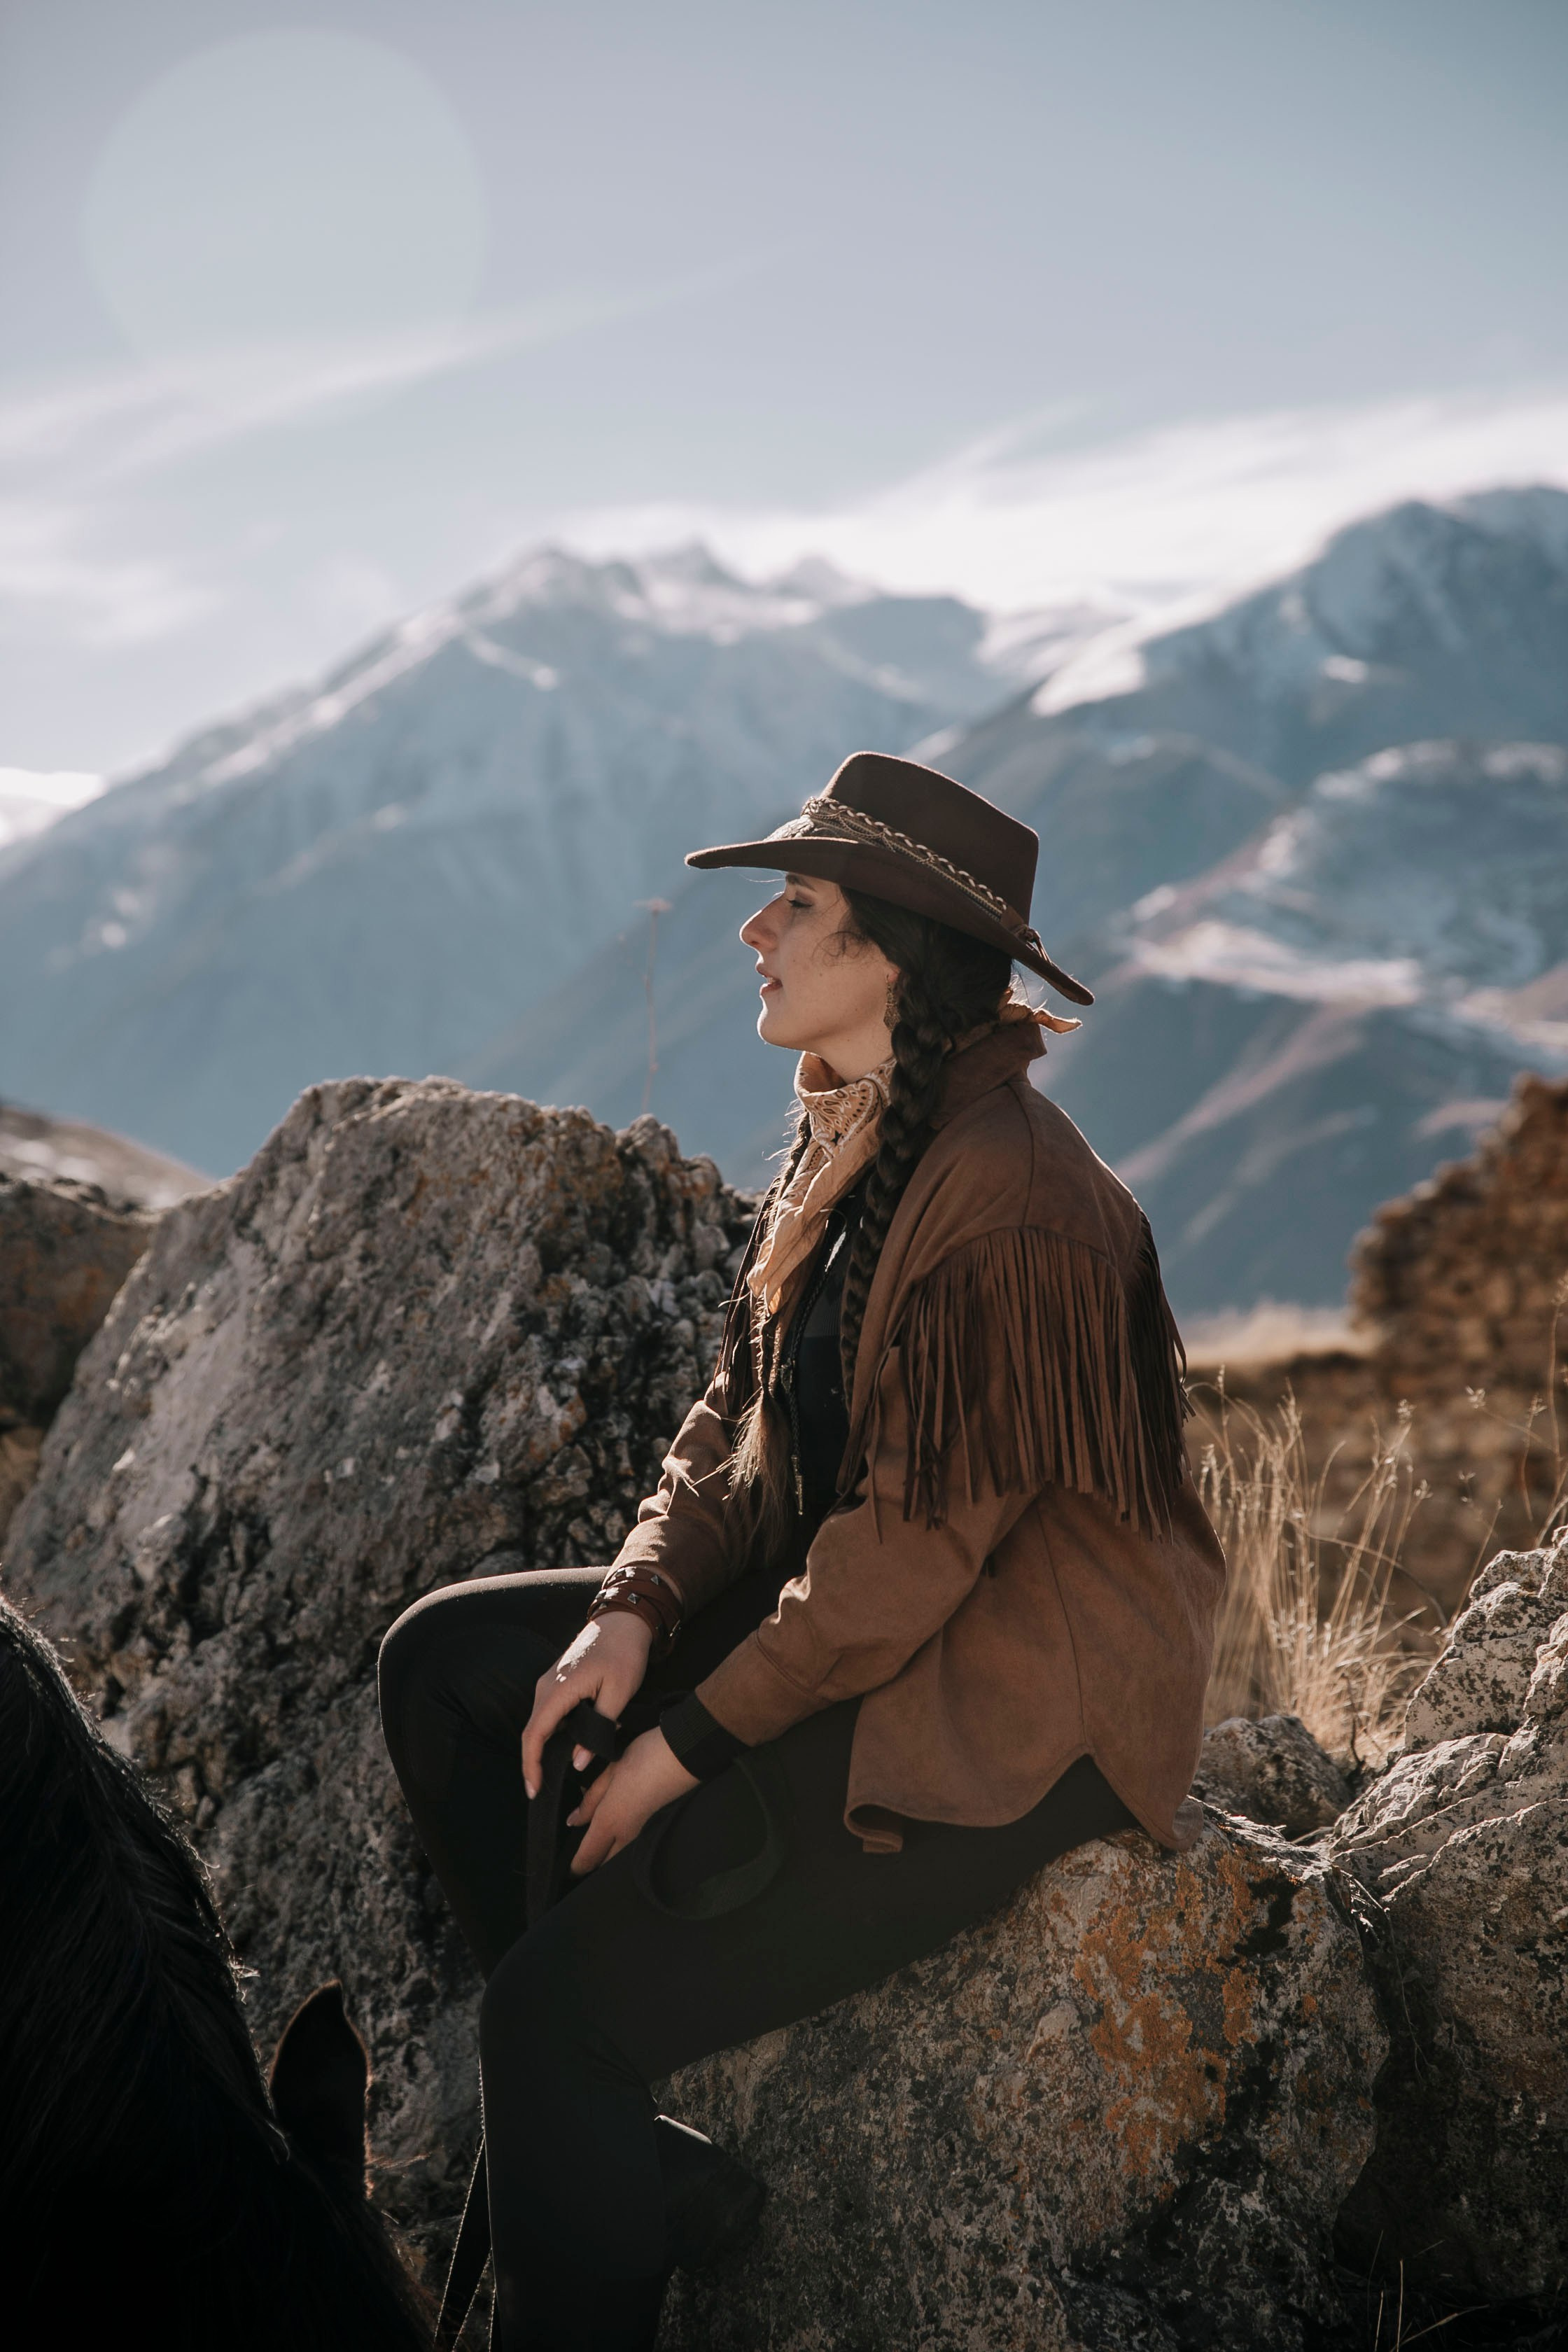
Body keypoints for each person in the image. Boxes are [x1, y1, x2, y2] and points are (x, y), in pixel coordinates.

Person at [379, 751, 1226, 2350]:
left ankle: (588, 2133)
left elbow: (907, 1567)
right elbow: (733, 1411)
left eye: (797, 903)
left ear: (891, 952)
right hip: (861, 1629)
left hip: (1005, 1714)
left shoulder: (1018, 1202)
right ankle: (630, 2177)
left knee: (554, 2019)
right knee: (452, 1667)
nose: (752, 931)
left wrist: (677, 1756)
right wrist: (631, 1613)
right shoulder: (857, 1136)